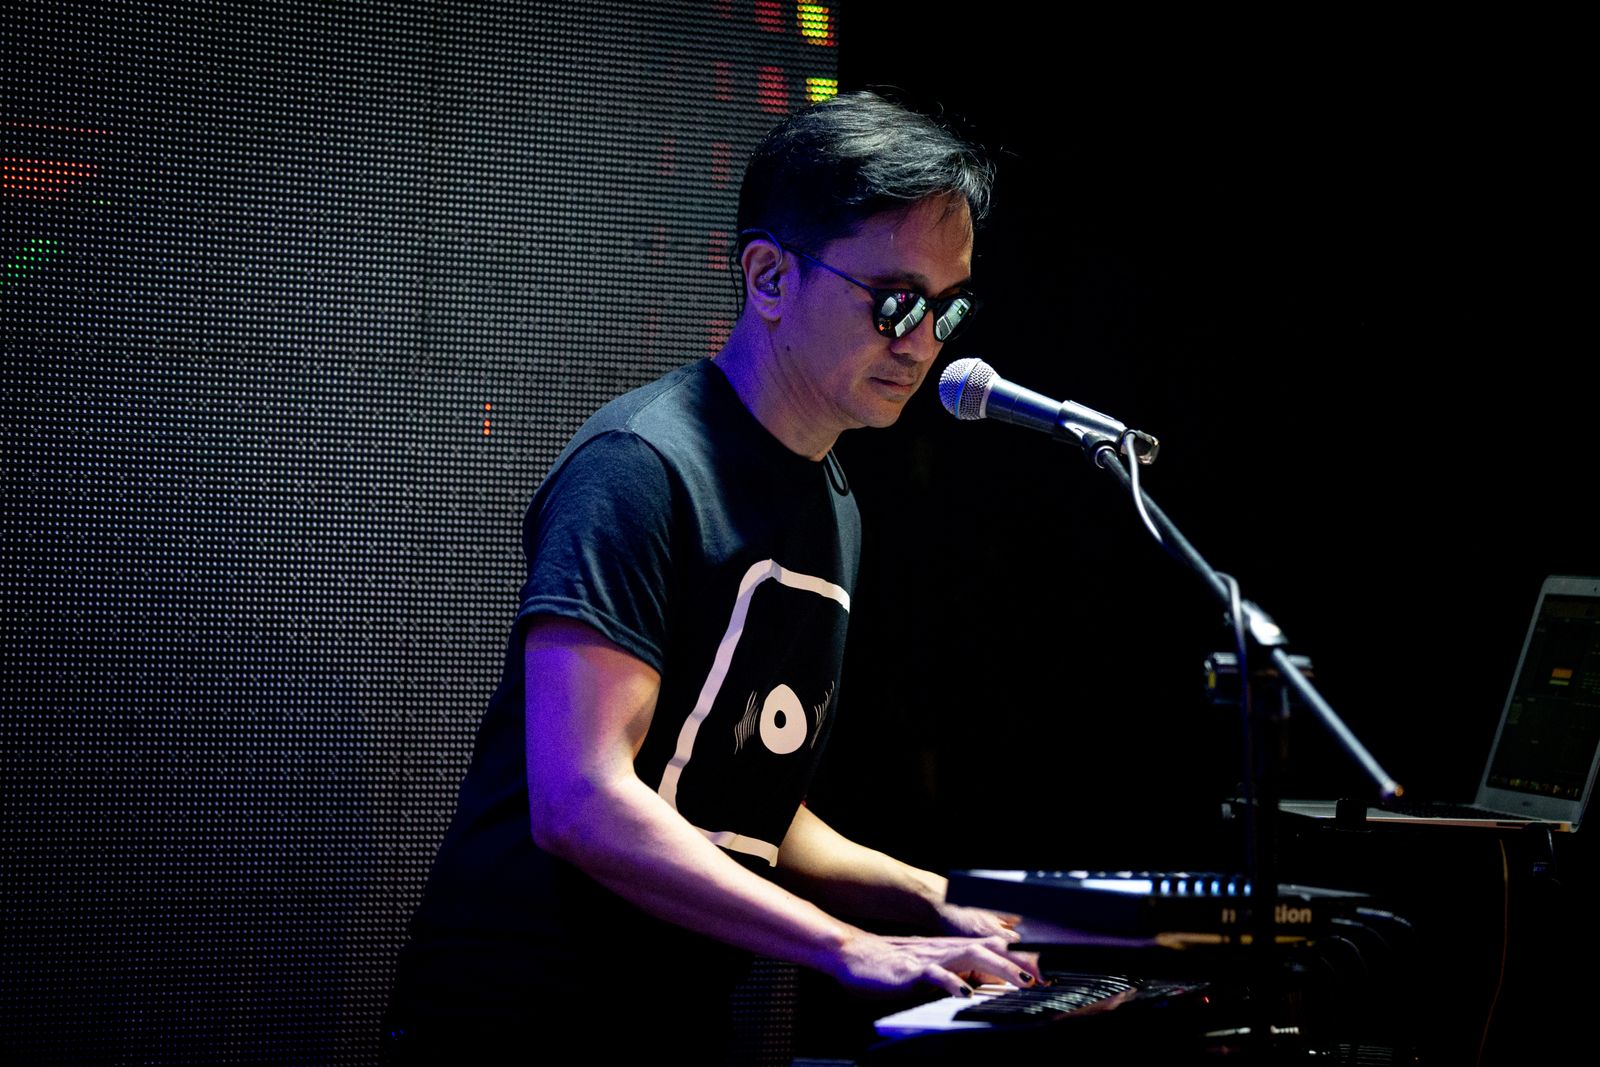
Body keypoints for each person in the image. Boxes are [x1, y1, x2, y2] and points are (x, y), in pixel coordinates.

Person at [384, 90, 1038, 1061]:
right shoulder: (640, 467)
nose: (924, 341)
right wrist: (846, 944)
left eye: (949, 308)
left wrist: (936, 899)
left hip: (674, 1017)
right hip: (518, 1019)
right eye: (895, 301)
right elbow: (582, 797)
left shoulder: (833, 502)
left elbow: (740, 803)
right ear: (769, 275)